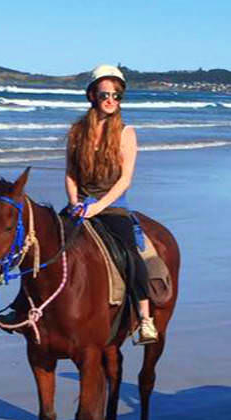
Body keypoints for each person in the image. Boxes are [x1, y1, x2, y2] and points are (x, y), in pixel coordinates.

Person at [66, 64, 158, 344]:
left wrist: (97, 207)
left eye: (116, 95)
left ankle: (145, 319)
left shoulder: (126, 133)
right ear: (92, 95)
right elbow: (70, 174)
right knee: (45, 244)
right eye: (104, 94)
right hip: (80, 205)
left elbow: (125, 179)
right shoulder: (77, 131)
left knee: (129, 255)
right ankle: (26, 305)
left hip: (113, 206)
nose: (110, 100)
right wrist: (75, 203)